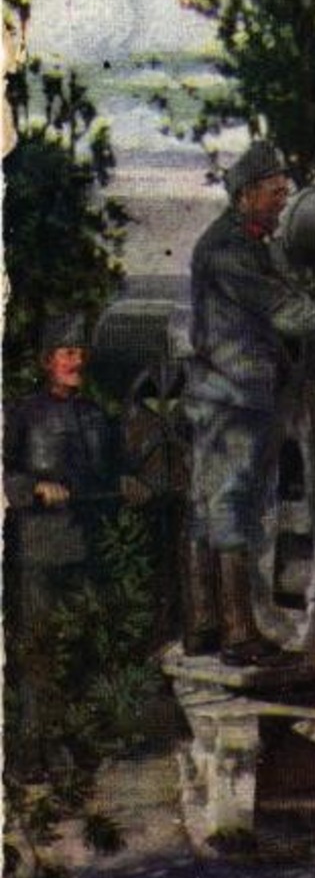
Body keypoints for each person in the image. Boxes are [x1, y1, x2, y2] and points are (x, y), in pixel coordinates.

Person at [185, 140, 315, 666]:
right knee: (232, 505)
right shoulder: (229, 251)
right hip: (235, 396)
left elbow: (292, 290)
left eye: (285, 194)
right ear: (246, 195)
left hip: (231, 392)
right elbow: (285, 309)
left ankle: (206, 628)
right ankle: (236, 636)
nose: (282, 202)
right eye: (274, 194)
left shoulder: (248, 243)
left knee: (213, 505)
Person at [3, 315, 144, 777]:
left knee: (81, 647)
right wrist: (33, 488)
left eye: (81, 353)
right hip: (41, 551)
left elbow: (117, 467)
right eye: (66, 353)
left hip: (88, 550)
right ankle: (31, 753)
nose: (76, 361)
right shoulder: (21, 414)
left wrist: (128, 482)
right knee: (39, 650)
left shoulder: (95, 415)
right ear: (48, 362)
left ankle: (75, 743)